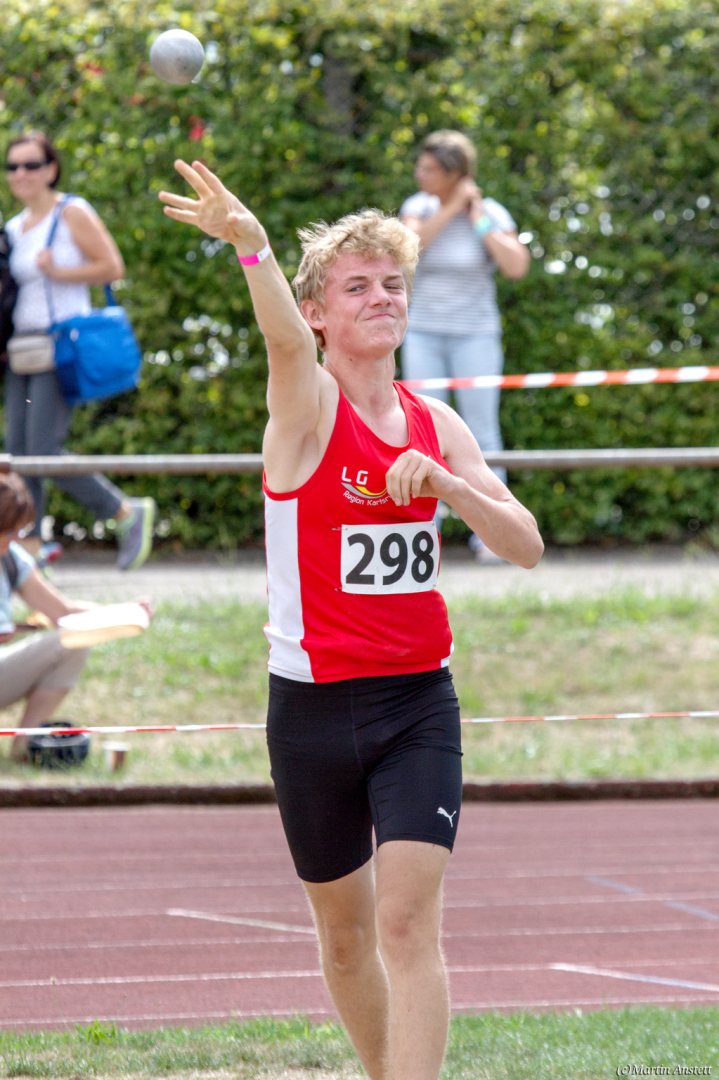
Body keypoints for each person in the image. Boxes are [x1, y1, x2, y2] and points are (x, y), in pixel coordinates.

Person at [159, 159, 543, 1080]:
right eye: (357, 286)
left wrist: (450, 487)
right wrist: (252, 248)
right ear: (319, 313)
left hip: (416, 704)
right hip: (311, 710)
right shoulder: (306, 408)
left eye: (393, 283)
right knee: (343, 938)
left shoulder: (437, 424)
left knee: (407, 924)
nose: (381, 297)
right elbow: (282, 346)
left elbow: (525, 544)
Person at [3, 131, 155, 570]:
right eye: (12, 166)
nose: (21, 173)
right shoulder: (13, 227)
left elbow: (112, 267)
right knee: (18, 455)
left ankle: (123, 511)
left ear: (51, 169)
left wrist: (59, 271)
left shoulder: (71, 211)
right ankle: (30, 549)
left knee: (43, 452)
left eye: (31, 164)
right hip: (21, 349)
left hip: (60, 348)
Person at [399, 129, 530, 561]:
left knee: (482, 430)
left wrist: (477, 219)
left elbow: (515, 265)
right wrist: (451, 207)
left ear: (454, 173)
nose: (420, 173)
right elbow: (408, 250)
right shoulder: (418, 208)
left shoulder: (489, 213)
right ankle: (423, 532)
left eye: (429, 168)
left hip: (476, 336)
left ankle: (493, 536)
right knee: (422, 430)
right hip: (423, 334)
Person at [0, 470, 152, 764]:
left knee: (74, 641)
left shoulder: (12, 558)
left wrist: (126, 611)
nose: (15, 538)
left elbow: (63, 612)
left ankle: (26, 746)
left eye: (18, 530)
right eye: (8, 531)